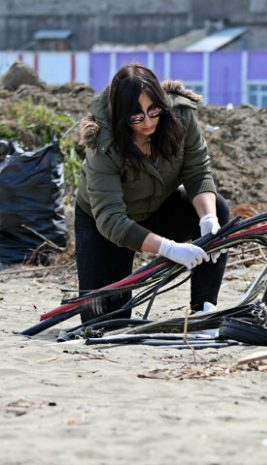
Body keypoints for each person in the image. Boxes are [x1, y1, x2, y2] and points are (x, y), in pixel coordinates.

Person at [76, 63, 229, 323]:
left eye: (153, 110)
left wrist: (208, 219)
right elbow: (111, 220)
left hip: (158, 206)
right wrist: (170, 249)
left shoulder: (181, 116)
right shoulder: (102, 142)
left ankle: (203, 308)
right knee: (106, 322)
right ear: (122, 116)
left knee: (219, 210)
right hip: (106, 224)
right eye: (136, 116)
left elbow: (197, 173)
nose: (148, 122)